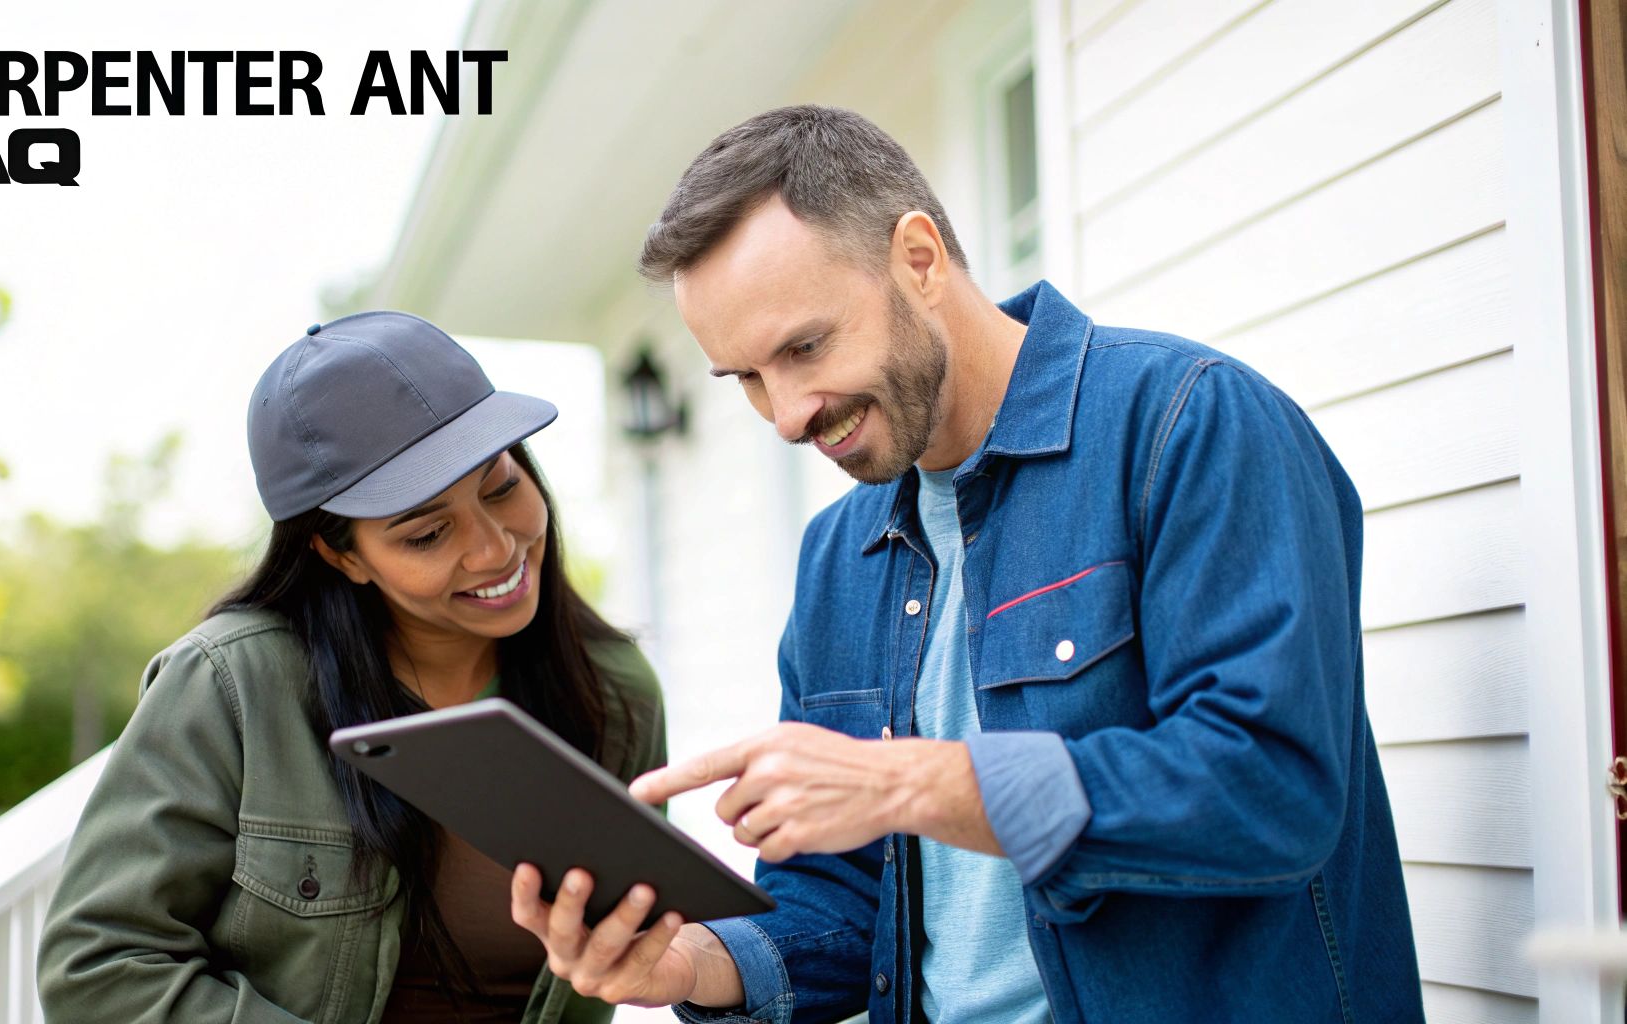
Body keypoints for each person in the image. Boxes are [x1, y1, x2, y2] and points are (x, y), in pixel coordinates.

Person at [510, 106, 1423, 1023]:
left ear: (919, 259)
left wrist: (913, 781)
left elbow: (1271, 787)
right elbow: (845, 899)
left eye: (804, 347)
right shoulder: (838, 556)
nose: (786, 415)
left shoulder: (1190, 423)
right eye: (746, 377)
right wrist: (693, 961)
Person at [38, 311, 666, 1024]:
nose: (495, 550)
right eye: (428, 533)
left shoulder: (616, 692)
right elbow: (97, 969)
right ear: (340, 555)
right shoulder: (230, 685)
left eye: (501, 487)